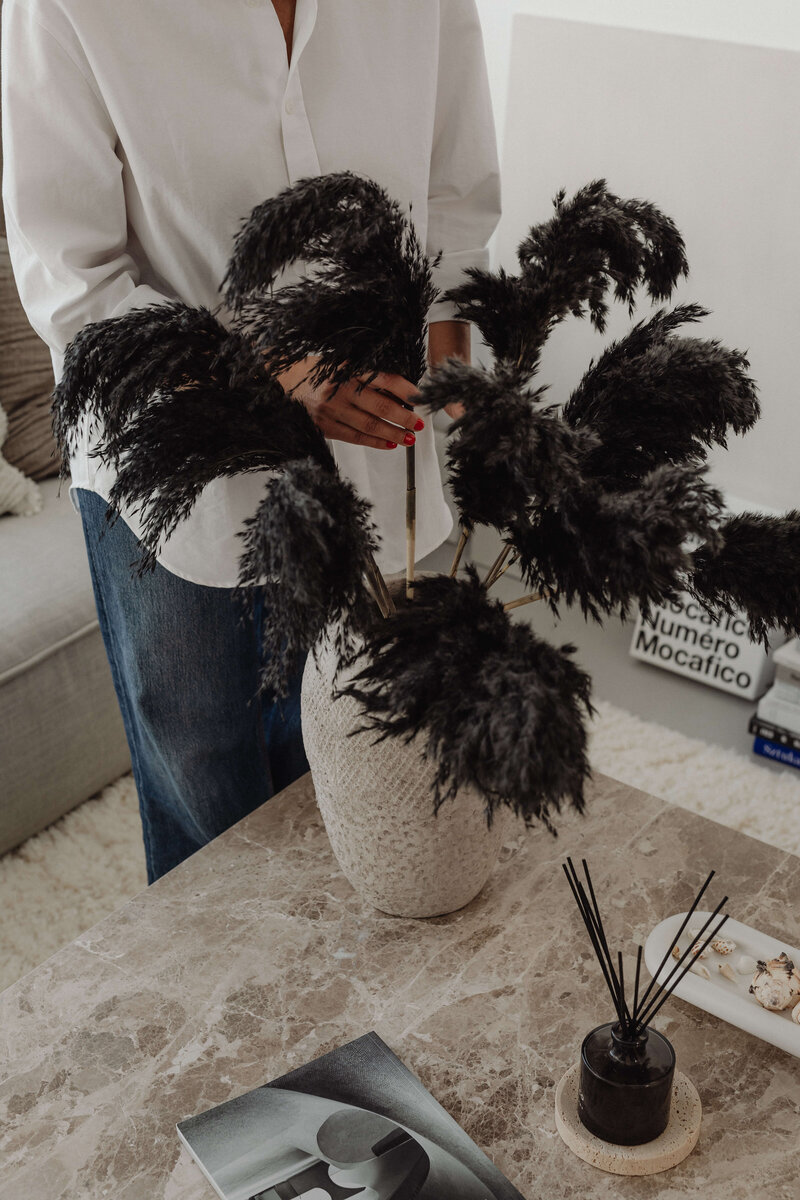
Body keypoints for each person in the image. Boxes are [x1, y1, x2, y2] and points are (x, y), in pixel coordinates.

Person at [2, 0, 501, 882]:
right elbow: (70, 279)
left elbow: (457, 190)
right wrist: (280, 370)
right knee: (213, 829)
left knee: (374, 802)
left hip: (382, 460)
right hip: (176, 486)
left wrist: (453, 357)